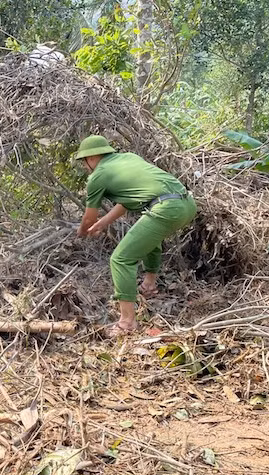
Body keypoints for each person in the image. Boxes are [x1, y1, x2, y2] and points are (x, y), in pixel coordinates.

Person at [75, 135, 197, 335]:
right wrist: (104, 222)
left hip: (165, 208)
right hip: (187, 204)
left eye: (84, 162)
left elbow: (88, 219)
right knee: (149, 237)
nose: (85, 166)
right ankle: (149, 285)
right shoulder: (128, 158)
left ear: (91, 158)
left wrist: (81, 233)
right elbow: (125, 202)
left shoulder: (98, 176)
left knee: (121, 260)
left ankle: (127, 323)